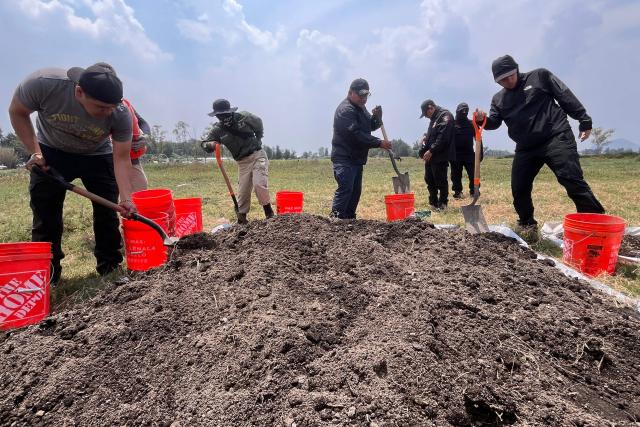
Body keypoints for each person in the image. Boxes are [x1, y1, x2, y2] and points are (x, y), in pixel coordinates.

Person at [8, 63, 136, 285]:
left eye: (111, 107)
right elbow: (17, 111)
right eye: (101, 107)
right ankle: (48, 274)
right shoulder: (44, 84)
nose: (108, 113)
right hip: (51, 152)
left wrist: (126, 198)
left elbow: (122, 158)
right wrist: (35, 152)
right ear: (79, 92)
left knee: (107, 211)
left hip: (97, 155)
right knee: (45, 214)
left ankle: (110, 266)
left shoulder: (121, 113)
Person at [475, 55, 604, 231]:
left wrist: (584, 119)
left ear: (516, 69)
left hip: (555, 136)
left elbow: (564, 95)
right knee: (519, 187)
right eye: (502, 80)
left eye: (510, 76)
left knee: (571, 179)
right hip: (526, 147)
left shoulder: (539, 76)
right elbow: (494, 123)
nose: (507, 81)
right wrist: (482, 120)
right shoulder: (499, 99)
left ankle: (594, 223)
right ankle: (527, 224)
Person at [202, 99, 272, 224]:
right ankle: (242, 220)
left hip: (257, 155)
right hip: (242, 162)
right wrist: (211, 144)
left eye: (225, 114)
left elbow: (259, 123)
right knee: (243, 191)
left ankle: (269, 214)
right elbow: (204, 144)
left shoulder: (244, 117)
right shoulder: (218, 130)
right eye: (220, 116)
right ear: (216, 116)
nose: (223, 118)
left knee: (258, 184)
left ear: (230, 111)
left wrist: (259, 138)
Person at [330, 78, 392, 219]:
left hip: (356, 159)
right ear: (350, 92)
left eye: (366, 95)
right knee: (346, 189)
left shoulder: (361, 108)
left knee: (355, 191)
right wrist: (379, 143)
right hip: (344, 158)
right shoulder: (345, 110)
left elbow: (369, 126)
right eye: (361, 95)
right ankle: (335, 221)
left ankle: (349, 219)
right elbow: (356, 135)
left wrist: (377, 118)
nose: (364, 99)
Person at [418, 99, 455, 210]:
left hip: (439, 155)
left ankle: (443, 204)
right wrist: (426, 137)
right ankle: (433, 203)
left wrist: (432, 150)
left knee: (440, 180)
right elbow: (434, 134)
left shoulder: (445, 116)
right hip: (430, 155)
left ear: (431, 107)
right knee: (429, 179)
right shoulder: (434, 118)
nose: (425, 116)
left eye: (426, 113)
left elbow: (443, 137)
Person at [450, 102, 482, 199]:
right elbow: (447, 139)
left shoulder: (472, 124)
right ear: (457, 111)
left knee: (473, 174)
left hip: (469, 154)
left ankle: (474, 191)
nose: (464, 112)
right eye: (462, 111)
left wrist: (480, 153)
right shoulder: (452, 124)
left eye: (466, 111)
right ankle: (457, 192)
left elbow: (478, 138)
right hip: (456, 155)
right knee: (456, 175)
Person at [121, 99, 151, 193]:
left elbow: (142, 123)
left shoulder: (124, 103)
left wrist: (146, 137)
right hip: (107, 159)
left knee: (141, 188)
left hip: (132, 159)